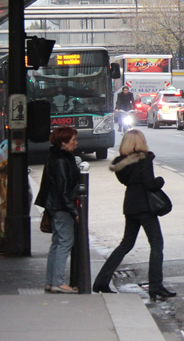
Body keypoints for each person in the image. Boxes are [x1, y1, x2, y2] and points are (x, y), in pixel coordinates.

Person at [92, 129, 176, 299]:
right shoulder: (144, 160)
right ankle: (156, 285)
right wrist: (160, 181)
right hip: (145, 206)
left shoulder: (121, 164)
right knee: (156, 244)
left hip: (130, 204)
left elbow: (127, 181)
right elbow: (149, 183)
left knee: (125, 245)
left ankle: (101, 281)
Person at [34, 127, 80, 294]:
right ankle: (58, 282)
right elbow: (63, 190)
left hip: (54, 205)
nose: (75, 143)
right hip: (61, 206)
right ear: (63, 142)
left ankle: (51, 280)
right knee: (65, 241)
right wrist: (74, 212)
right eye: (73, 140)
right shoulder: (62, 160)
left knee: (57, 242)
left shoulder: (54, 157)